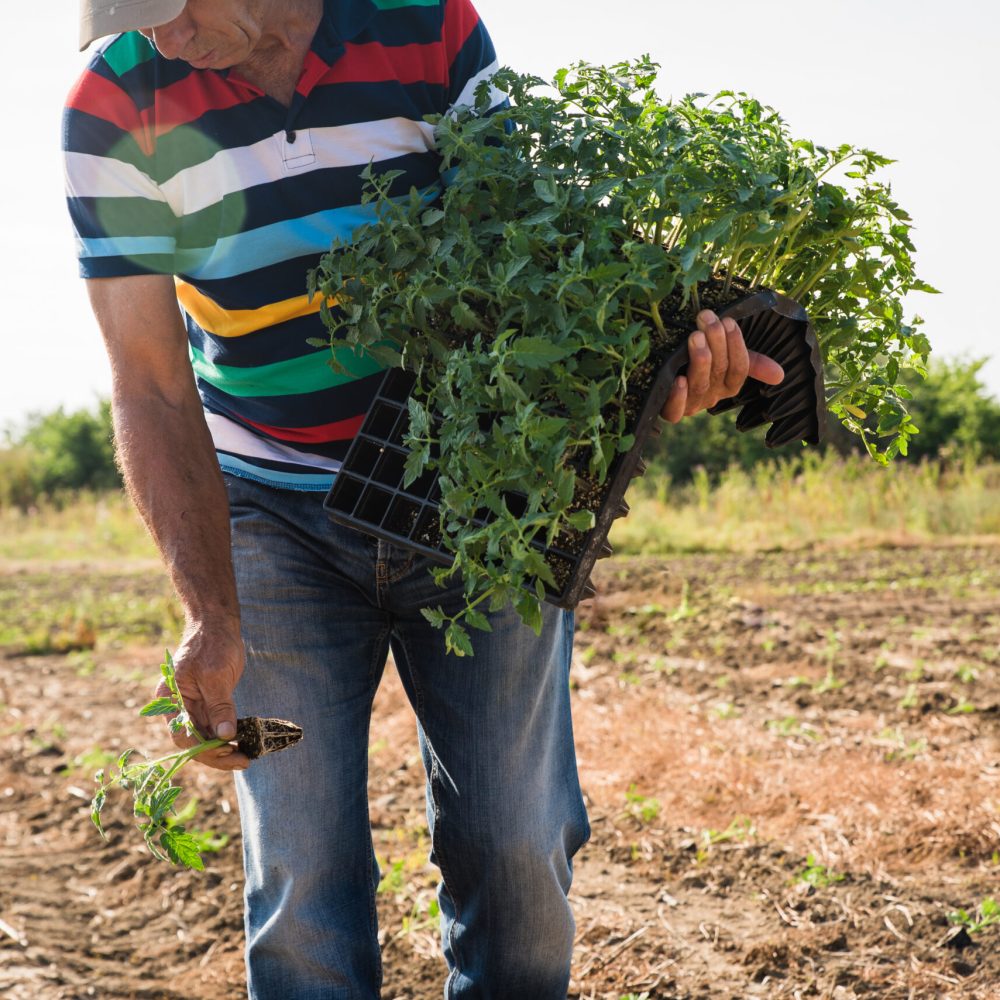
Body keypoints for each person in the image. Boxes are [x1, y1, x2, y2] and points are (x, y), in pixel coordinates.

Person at [65, 1, 784, 996]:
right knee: (302, 887)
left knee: (518, 858)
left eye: (168, 9)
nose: (158, 40)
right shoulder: (114, 100)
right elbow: (148, 378)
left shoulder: (423, 22)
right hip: (268, 505)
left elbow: (540, 257)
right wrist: (210, 610)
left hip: (470, 492)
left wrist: (667, 353)